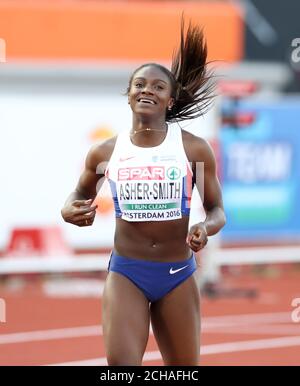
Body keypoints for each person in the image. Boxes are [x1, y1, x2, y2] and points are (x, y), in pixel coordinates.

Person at [61, 19, 226, 366]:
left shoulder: (194, 150)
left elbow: (216, 210)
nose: (146, 90)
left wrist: (204, 228)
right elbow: (76, 195)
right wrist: (69, 211)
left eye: (157, 86)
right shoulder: (105, 153)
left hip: (177, 275)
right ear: (129, 95)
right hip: (127, 273)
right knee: (121, 368)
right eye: (139, 84)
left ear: (171, 99)